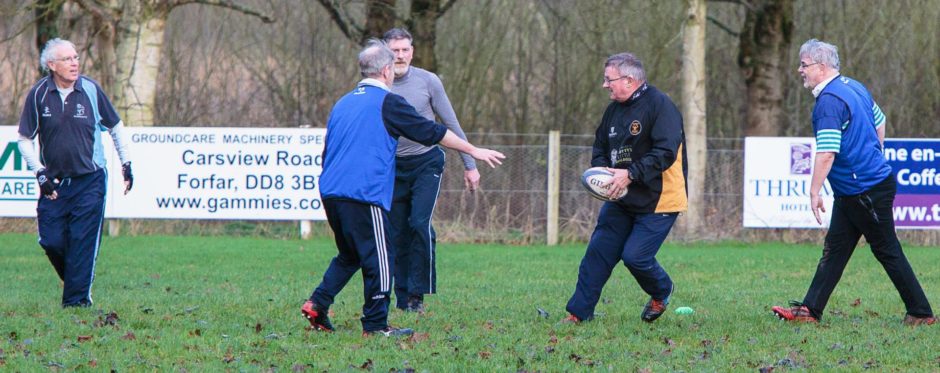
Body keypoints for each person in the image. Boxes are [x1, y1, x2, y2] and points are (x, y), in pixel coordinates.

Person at [300, 39, 505, 337]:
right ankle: (376, 325)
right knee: (382, 257)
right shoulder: (387, 101)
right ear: (386, 70)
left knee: (350, 255)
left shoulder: (343, 102)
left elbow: (328, 150)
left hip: (331, 190)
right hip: (363, 192)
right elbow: (431, 132)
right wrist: (472, 150)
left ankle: (318, 303)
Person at [771, 39, 935, 326]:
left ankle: (921, 312)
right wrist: (873, 154)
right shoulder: (853, 86)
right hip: (858, 188)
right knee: (835, 249)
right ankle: (810, 310)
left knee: (886, 248)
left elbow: (826, 153)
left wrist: (813, 191)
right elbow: (880, 120)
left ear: (821, 68)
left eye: (804, 65)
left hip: (865, 190)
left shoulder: (829, 103)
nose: (800, 70)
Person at [562, 52, 688, 324]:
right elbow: (600, 148)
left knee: (635, 257)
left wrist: (630, 174)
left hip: (659, 199)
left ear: (629, 80)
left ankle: (661, 291)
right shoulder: (613, 110)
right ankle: (579, 314)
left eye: (609, 79)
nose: (604, 85)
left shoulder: (660, 105)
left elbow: (665, 152)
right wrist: (604, 174)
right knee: (598, 253)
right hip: (621, 198)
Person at [17, 38, 133, 308]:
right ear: (52, 65)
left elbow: (115, 128)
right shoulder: (39, 94)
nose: (74, 63)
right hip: (55, 184)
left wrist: (126, 164)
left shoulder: (91, 90)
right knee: (51, 241)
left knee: (82, 242)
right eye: (67, 59)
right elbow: (24, 139)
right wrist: (40, 172)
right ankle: (75, 284)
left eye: (76, 57)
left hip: (90, 181)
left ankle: (77, 303)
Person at [382, 28, 479, 313]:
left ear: (412, 51)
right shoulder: (378, 84)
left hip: (426, 161)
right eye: (394, 51)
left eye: (404, 50)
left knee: (419, 223)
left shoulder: (429, 81)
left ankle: (417, 295)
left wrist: (470, 165)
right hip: (393, 167)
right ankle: (401, 298)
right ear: (386, 54)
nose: (400, 56)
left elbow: (451, 124)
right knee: (397, 230)